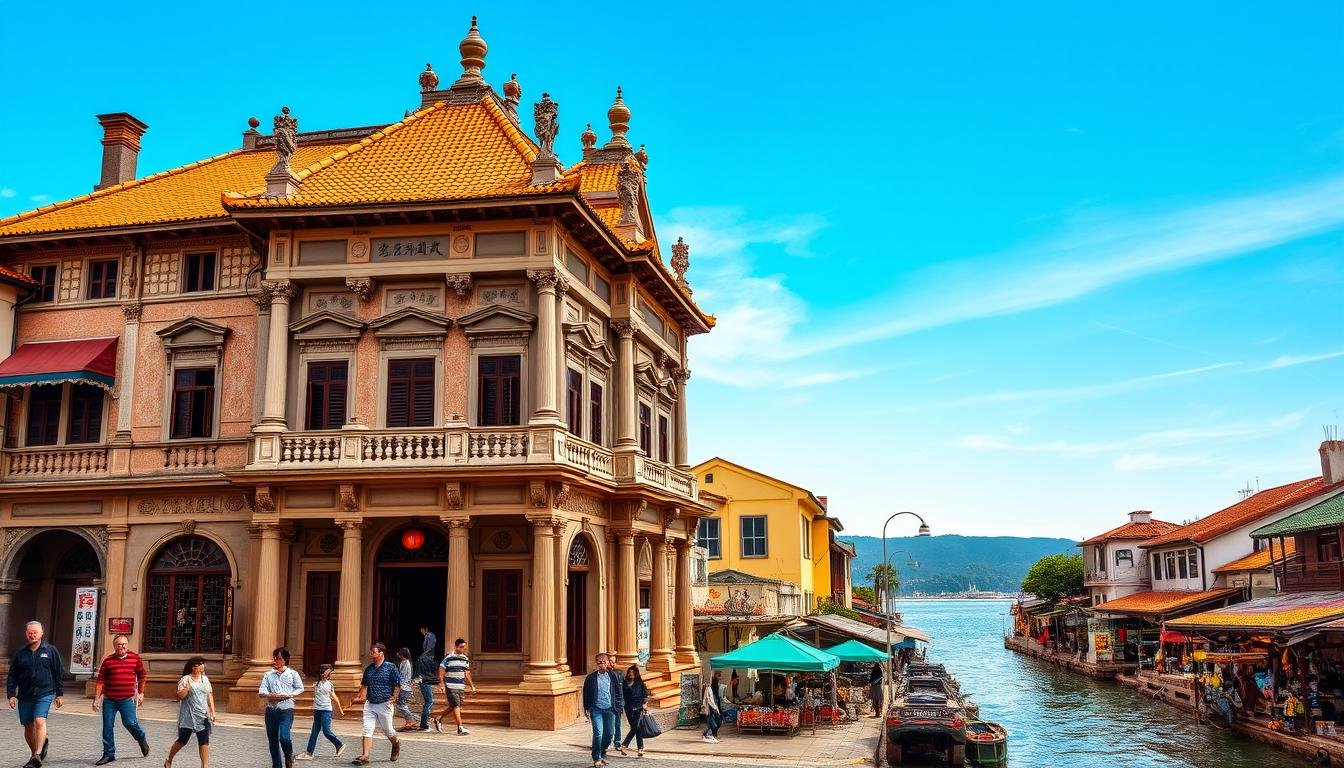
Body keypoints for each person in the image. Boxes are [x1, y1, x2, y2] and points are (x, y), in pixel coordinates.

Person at [7, 621, 63, 768]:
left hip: (44, 692)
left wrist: (59, 694)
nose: (32, 635)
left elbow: (58, 672)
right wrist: (11, 694)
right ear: (26, 634)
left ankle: (37, 754)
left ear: (41, 633)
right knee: (28, 726)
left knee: (39, 721)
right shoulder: (20, 653)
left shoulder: (50, 651)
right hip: (25, 695)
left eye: (35, 632)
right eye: (30, 632)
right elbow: (12, 675)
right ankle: (34, 755)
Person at [93, 634, 150, 764]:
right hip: (109, 700)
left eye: (124, 644)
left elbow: (142, 676)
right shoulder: (108, 661)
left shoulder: (135, 658)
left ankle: (141, 738)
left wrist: (141, 693)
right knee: (107, 726)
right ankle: (109, 754)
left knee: (129, 723)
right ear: (114, 646)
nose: (121, 647)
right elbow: (100, 680)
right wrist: (97, 699)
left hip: (126, 699)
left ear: (127, 645)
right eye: (118, 644)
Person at [351, 643, 401, 766]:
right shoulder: (369, 669)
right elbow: (364, 685)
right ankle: (365, 755)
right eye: (371, 651)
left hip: (385, 704)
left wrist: (394, 697)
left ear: (381, 653)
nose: (371, 654)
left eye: (373, 652)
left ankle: (396, 744)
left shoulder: (390, 667)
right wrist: (358, 697)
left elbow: (397, 683)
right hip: (370, 704)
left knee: (388, 730)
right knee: (367, 729)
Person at [259, 648, 304, 768]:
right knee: (273, 742)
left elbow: (300, 688)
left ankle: (289, 755)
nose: (275, 660)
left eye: (278, 658)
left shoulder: (293, 674)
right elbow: (262, 691)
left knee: (284, 737)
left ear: (285, 660)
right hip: (271, 711)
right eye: (274, 657)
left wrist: (289, 695)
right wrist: (269, 695)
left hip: (286, 710)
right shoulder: (268, 675)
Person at [165, 657, 214, 768]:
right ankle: (169, 759)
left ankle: (204, 766)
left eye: (203, 664)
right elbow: (181, 696)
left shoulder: (205, 679)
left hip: (202, 715)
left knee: (204, 741)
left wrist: (213, 712)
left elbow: (209, 695)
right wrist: (187, 689)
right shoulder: (185, 679)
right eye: (200, 664)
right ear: (193, 667)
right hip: (188, 716)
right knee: (182, 741)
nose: (202, 666)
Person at [296, 664, 345, 760]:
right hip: (317, 710)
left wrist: (340, 708)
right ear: (322, 672)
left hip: (326, 710)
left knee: (326, 731)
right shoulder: (316, 683)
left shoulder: (329, 684)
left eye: (329, 672)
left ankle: (339, 744)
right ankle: (309, 753)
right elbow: (316, 697)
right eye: (327, 671)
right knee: (314, 732)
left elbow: (334, 696)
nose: (328, 673)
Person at [582, 653, 621, 768]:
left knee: (609, 734)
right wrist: (587, 708)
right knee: (598, 734)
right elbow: (586, 694)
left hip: (610, 709)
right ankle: (596, 757)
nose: (602, 664)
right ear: (596, 663)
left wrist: (618, 706)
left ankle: (602, 751)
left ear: (608, 663)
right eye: (599, 662)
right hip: (596, 709)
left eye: (604, 662)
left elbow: (618, 693)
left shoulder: (613, 676)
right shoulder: (590, 678)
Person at [431, 638, 476, 736]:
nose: (463, 649)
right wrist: (442, 684)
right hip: (450, 685)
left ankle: (438, 718)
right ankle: (460, 728)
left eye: (464, 647)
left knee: (453, 706)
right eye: (461, 647)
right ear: (456, 646)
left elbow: (467, 673)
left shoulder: (465, 658)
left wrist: (472, 686)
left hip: (461, 686)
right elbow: (441, 669)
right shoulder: (449, 657)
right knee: (456, 705)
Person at [618, 665, 649, 757]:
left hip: (638, 707)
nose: (630, 674)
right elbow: (621, 695)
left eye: (632, 673)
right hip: (628, 708)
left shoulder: (640, 683)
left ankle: (625, 744)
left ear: (636, 674)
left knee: (636, 727)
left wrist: (645, 704)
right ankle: (640, 749)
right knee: (636, 728)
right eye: (629, 672)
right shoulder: (624, 683)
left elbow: (645, 694)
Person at [604, 655, 625, 758]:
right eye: (610, 661)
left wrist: (622, 703)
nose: (612, 663)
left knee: (617, 723)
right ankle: (607, 742)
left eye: (613, 662)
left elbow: (623, 690)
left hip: (617, 703)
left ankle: (617, 742)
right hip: (606, 704)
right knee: (608, 725)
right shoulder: (603, 674)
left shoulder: (620, 673)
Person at [413, 645, 437, 732]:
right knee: (429, 702)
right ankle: (424, 724)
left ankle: (424, 723)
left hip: (423, 681)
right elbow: (432, 672)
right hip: (426, 682)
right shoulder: (428, 660)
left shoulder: (421, 659)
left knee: (427, 702)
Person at [393, 648, 416, 731]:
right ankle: (408, 721)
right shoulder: (405, 662)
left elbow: (401, 677)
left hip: (404, 687)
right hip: (406, 687)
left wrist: (397, 684)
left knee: (401, 705)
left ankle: (413, 719)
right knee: (403, 705)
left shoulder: (405, 663)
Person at [701, 671, 722, 744]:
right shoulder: (711, 685)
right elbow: (709, 697)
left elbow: (716, 696)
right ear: (716, 676)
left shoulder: (716, 684)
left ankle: (712, 734)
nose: (720, 678)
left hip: (715, 705)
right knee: (712, 722)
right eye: (719, 676)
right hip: (711, 706)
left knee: (718, 721)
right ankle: (710, 734)